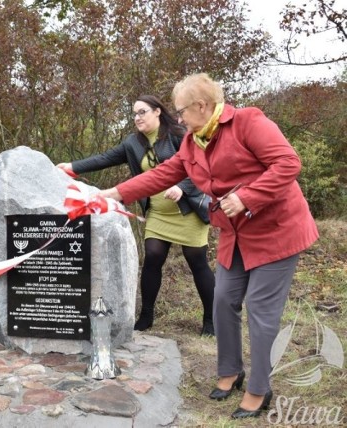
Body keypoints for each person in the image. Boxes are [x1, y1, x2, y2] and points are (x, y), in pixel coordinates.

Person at [98, 73, 319, 419]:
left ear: (202, 106)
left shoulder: (248, 122)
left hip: (277, 231)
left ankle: (260, 388)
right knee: (222, 301)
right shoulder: (191, 141)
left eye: (183, 111)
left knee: (260, 311)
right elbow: (163, 173)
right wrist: (114, 193)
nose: (179, 118)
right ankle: (230, 370)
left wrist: (246, 196)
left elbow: (288, 163)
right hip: (236, 234)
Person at [57, 95, 216, 337]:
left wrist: (182, 186)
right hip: (158, 213)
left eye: (142, 112)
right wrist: (72, 167)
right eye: (134, 114)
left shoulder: (179, 135)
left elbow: (199, 164)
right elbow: (105, 158)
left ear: (157, 112)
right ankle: (145, 316)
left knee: (196, 261)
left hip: (188, 210)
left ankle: (211, 320)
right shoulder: (133, 143)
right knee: (152, 257)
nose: (137, 118)